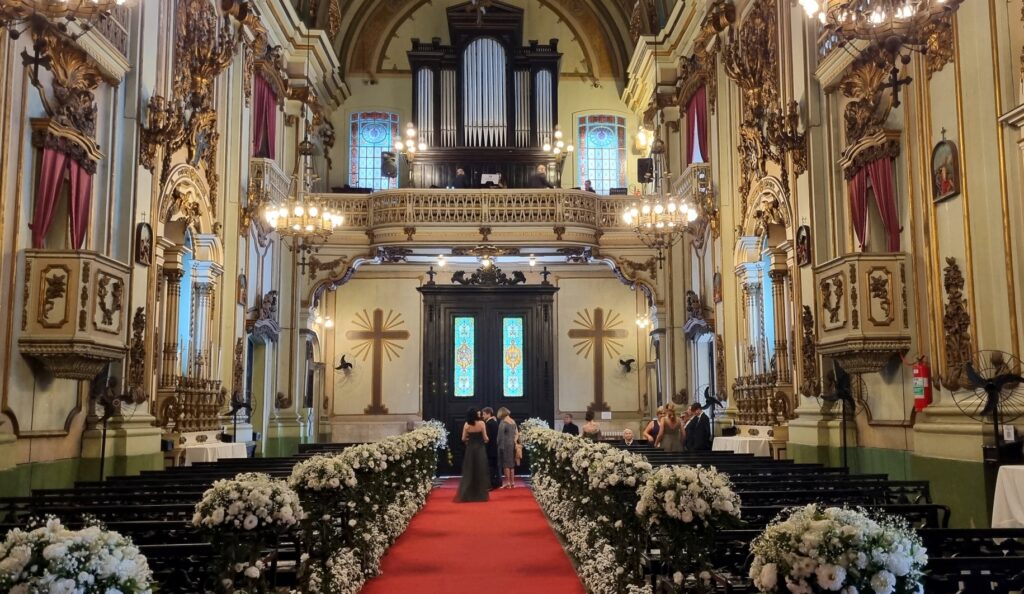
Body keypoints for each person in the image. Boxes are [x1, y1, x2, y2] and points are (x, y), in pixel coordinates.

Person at [455, 407, 490, 502]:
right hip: (480, 449)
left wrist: (469, 440)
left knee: (469, 471)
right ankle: (480, 494)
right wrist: (484, 440)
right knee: (480, 471)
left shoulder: (466, 425)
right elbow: (486, 438)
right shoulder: (481, 423)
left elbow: (463, 438)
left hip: (470, 449)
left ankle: (467, 494)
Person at [496, 407, 519, 488]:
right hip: (512, 444)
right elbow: (517, 434)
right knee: (511, 464)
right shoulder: (513, 421)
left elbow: (500, 436)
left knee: (506, 464)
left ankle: (507, 483)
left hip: (504, 445)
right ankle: (513, 482)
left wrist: (498, 445)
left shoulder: (503, 422)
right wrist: (514, 441)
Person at [482, 407, 501, 489]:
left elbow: (488, 438)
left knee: (491, 467)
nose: (482, 416)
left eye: (484, 414)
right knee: (494, 467)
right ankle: (497, 483)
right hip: (495, 448)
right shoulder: (494, 422)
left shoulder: (489, 424)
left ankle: (491, 484)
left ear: (489, 414)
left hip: (490, 449)